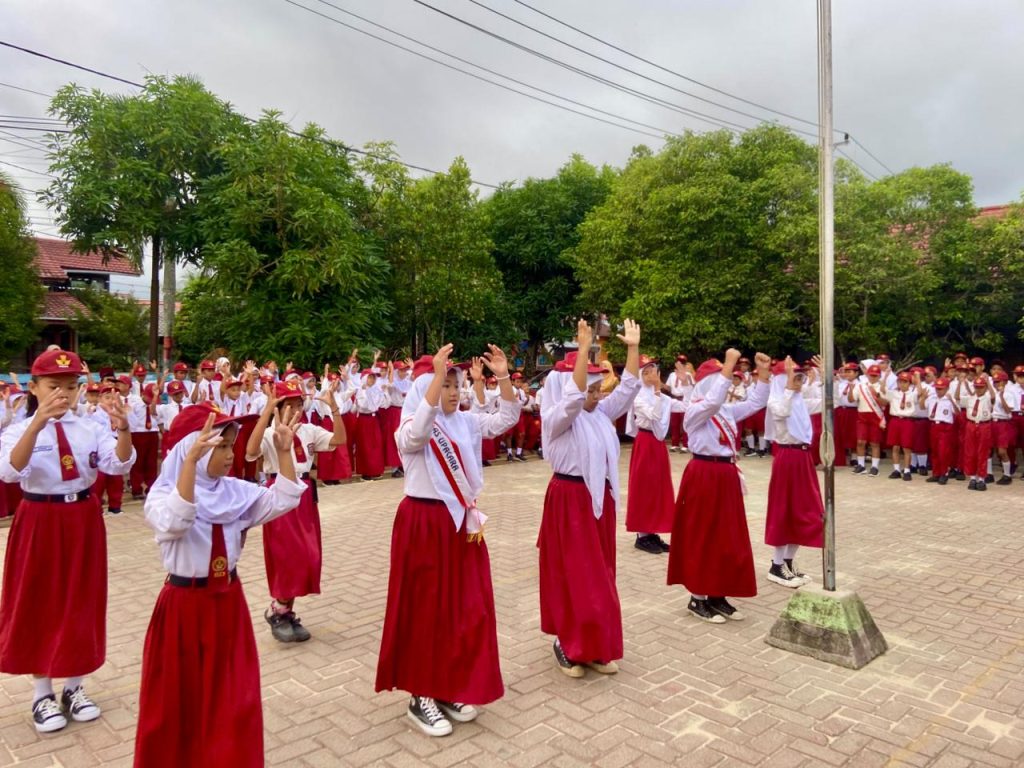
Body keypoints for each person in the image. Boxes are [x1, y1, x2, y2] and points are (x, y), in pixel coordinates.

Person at [133, 402, 307, 767]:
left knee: (233, 695)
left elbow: (285, 498)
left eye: (230, 446)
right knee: (177, 700)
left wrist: (284, 452)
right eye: (220, 446)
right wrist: (188, 465)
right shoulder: (163, 495)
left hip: (228, 602)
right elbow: (178, 521)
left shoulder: (234, 491)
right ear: (191, 450)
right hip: (183, 606)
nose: (230, 455)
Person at [375, 343, 519, 737]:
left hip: (460, 524)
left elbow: (506, 417)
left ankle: (449, 685)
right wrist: (435, 381)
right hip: (422, 524)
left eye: (456, 384)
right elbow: (417, 436)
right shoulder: (411, 425)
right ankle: (420, 694)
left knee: (462, 607)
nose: (454, 392)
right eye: (445, 384)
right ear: (427, 388)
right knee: (424, 610)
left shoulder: (465, 422)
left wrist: (503, 377)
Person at [0, 349, 134, 733]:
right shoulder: (18, 430)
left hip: (82, 517)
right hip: (39, 518)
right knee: (38, 601)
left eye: (71, 386)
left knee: (81, 599)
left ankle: (74, 686)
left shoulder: (89, 427)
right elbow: (10, 471)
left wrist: (124, 431)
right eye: (53, 386)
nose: (63, 393)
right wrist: (37, 424)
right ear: (34, 388)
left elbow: (117, 463)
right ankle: (41, 693)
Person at [538, 319, 641, 678]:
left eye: (598, 389)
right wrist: (582, 350)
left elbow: (628, 389)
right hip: (569, 502)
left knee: (600, 574)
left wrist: (632, 349)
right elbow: (571, 401)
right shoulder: (558, 419)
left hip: (598, 501)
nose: (597, 396)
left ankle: (595, 646)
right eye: (591, 390)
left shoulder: (599, 415)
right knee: (577, 575)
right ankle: (567, 643)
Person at [666, 349, 771, 623]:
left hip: (725, 475)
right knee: (703, 533)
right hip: (704, 473)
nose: (723, 382)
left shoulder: (726, 410)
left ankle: (718, 593)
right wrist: (728, 365)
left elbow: (756, 401)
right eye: (719, 378)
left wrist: (763, 373)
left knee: (725, 535)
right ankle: (698, 597)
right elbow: (712, 402)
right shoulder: (696, 410)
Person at [245, 381, 346, 642]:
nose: (296, 410)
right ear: (278, 408)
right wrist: (266, 414)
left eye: (299, 404)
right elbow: (250, 452)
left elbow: (339, 439)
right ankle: (278, 610)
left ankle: (286, 610)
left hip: (304, 493)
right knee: (286, 554)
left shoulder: (309, 430)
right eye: (289, 405)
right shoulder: (270, 433)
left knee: (308, 554)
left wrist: (334, 409)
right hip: (279, 491)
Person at [763, 357, 823, 588]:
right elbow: (781, 412)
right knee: (784, 510)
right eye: (794, 377)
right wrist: (789, 387)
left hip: (804, 458)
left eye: (799, 378)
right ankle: (776, 565)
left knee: (805, 510)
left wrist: (825, 378)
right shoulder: (777, 400)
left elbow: (831, 402)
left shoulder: (800, 401)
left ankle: (788, 561)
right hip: (788, 458)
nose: (799, 382)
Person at [625, 355, 673, 555]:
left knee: (657, 487)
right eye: (645, 372)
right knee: (644, 487)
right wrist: (657, 389)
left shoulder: (659, 395)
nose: (650, 375)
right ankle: (642, 535)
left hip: (657, 444)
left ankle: (652, 531)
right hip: (645, 443)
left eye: (652, 371)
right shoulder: (638, 397)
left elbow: (682, 405)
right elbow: (654, 415)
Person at [849, 364, 887, 476]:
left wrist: (877, 395)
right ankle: (861, 466)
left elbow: (885, 403)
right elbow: (851, 400)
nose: (873, 377)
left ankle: (875, 467)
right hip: (862, 416)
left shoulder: (882, 387)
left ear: (879, 376)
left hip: (875, 416)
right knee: (860, 442)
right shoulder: (861, 386)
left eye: (875, 375)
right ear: (867, 375)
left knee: (874, 443)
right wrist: (851, 390)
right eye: (871, 375)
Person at [959, 373, 994, 491]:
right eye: (977, 387)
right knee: (970, 452)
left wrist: (988, 382)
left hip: (984, 425)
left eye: (981, 387)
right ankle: (973, 478)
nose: (979, 390)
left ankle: (982, 479)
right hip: (971, 425)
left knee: (982, 452)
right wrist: (962, 382)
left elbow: (993, 396)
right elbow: (957, 397)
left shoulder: (987, 398)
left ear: (985, 387)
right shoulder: (970, 398)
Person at [884, 373, 920, 482]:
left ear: (910, 383)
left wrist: (917, 380)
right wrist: (885, 377)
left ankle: (907, 470)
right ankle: (896, 470)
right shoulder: (893, 393)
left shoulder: (912, 394)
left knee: (906, 447)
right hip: (895, 420)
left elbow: (920, 392)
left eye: (905, 382)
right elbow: (882, 390)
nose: (902, 384)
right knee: (895, 446)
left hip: (907, 421)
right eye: (900, 382)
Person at [355, 368, 387, 480]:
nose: (372, 380)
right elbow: (364, 405)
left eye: (373, 378)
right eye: (370, 377)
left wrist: (383, 393)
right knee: (365, 445)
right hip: (364, 419)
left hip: (374, 419)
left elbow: (384, 404)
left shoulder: (375, 390)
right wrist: (365, 392)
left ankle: (375, 470)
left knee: (376, 444)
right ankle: (366, 472)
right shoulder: (361, 391)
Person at [925, 378, 958, 484]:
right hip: (934, 425)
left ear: (947, 388)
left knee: (943, 451)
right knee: (934, 450)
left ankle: (944, 473)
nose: (938, 391)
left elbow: (957, 412)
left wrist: (952, 401)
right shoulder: (932, 397)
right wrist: (923, 397)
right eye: (937, 389)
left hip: (945, 426)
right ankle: (936, 473)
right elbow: (922, 406)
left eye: (941, 389)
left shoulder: (949, 399)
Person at [991, 372, 1017, 485]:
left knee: (1002, 451)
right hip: (994, 421)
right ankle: (989, 474)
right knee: (991, 449)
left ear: (1005, 382)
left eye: (999, 381)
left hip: (1003, 423)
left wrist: (1002, 396)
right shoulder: (996, 393)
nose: (997, 384)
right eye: (995, 382)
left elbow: (1008, 410)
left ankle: (1007, 475)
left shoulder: (1008, 394)